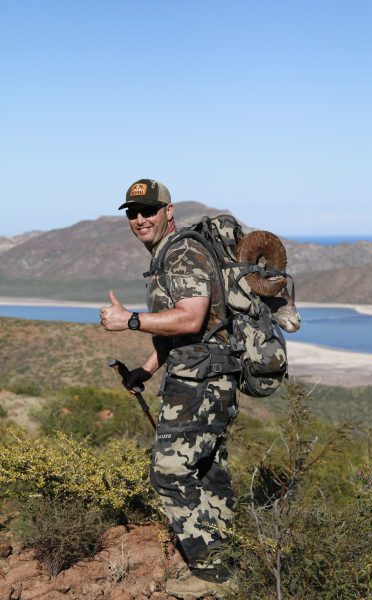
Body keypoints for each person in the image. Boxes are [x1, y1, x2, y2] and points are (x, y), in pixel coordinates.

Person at [100, 179, 238, 597]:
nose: (140, 219)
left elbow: (191, 319)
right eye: (133, 213)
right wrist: (145, 369)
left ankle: (213, 572)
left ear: (168, 211)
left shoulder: (181, 252)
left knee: (169, 472)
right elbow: (180, 333)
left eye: (149, 211)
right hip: (203, 375)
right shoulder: (167, 255)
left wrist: (132, 321)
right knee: (208, 470)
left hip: (202, 380)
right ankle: (231, 553)